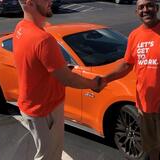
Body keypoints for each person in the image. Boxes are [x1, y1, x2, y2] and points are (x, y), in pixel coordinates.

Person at [13, 0, 105, 160]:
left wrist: (58, 67)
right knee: (49, 157)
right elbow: (67, 79)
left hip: (32, 106)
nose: (51, 1)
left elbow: (35, 64)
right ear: (29, 3)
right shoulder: (43, 39)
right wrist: (94, 84)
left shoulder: (20, 27)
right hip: (44, 110)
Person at [102, 0, 160, 160]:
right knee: (151, 149)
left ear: (157, 8)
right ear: (136, 12)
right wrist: (105, 79)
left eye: (149, 5)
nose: (145, 10)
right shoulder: (134, 35)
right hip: (143, 107)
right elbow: (126, 65)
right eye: (141, 7)